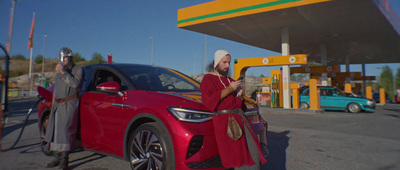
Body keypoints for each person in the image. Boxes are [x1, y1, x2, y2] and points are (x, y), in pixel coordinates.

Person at [200, 50, 267, 169]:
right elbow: (210, 102)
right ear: (216, 62)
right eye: (224, 62)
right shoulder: (208, 79)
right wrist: (230, 89)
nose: (227, 65)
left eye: (229, 62)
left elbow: (239, 104)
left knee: (253, 152)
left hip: (241, 118)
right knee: (237, 157)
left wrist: (240, 95)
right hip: (226, 121)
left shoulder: (230, 80)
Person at [44, 47, 83, 169]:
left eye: (65, 58)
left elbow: (75, 84)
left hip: (69, 104)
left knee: (66, 132)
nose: (63, 60)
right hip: (57, 105)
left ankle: (65, 161)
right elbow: (56, 90)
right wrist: (52, 103)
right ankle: (57, 158)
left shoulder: (78, 70)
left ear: (70, 58)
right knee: (56, 131)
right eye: (61, 58)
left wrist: (63, 72)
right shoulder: (59, 73)